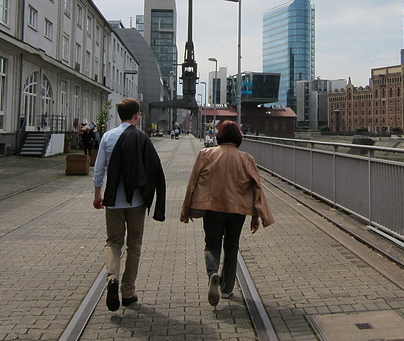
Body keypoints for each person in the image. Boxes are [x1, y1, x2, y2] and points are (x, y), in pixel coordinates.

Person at [180, 120, 274, 306]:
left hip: (212, 208)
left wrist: (186, 210)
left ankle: (213, 273)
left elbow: (192, 183)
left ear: (219, 136)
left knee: (212, 245)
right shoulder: (246, 158)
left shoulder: (205, 154)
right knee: (231, 247)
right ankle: (227, 288)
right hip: (237, 210)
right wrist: (257, 215)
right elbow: (257, 188)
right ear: (238, 137)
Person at [93, 98, 166, 311]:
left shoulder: (107, 137)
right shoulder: (142, 138)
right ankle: (127, 291)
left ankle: (112, 278)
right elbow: (154, 169)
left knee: (113, 242)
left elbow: (98, 170)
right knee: (134, 246)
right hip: (136, 202)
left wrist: (98, 194)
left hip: (113, 200)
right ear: (136, 115)